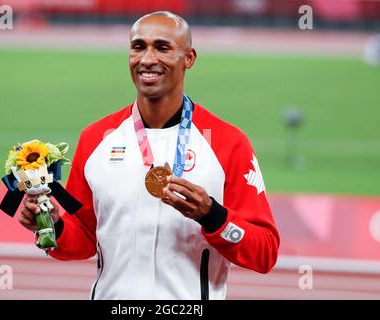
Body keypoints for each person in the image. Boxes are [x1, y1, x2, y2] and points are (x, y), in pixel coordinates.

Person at [19, 11, 279, 300]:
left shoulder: (228, 143)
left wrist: (213, 216)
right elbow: (83, 238)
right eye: (138, 46)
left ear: (189, 58)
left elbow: (265, 252)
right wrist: (52, 226)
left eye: (162, 47)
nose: (147, 59)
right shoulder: (95, 139)